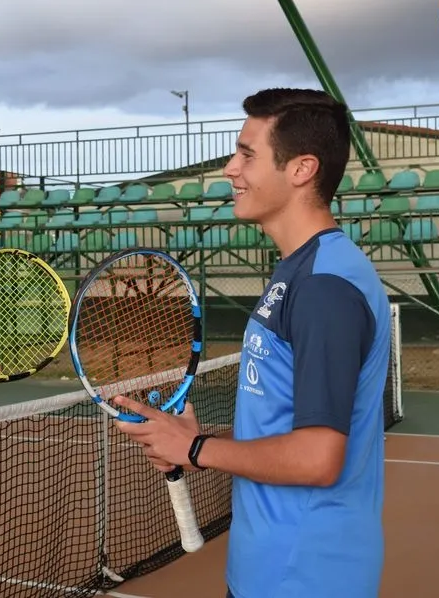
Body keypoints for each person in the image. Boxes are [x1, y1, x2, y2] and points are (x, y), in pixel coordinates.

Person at [114, 88, 390, 598]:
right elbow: (287, 427)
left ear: (302, 169)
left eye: (247, 154)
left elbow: (317, 459)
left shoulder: (325, 286)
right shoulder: (303, 269)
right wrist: (194, 445)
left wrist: (195, 448)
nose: (229, 169)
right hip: (273, 568)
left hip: (304, 576)